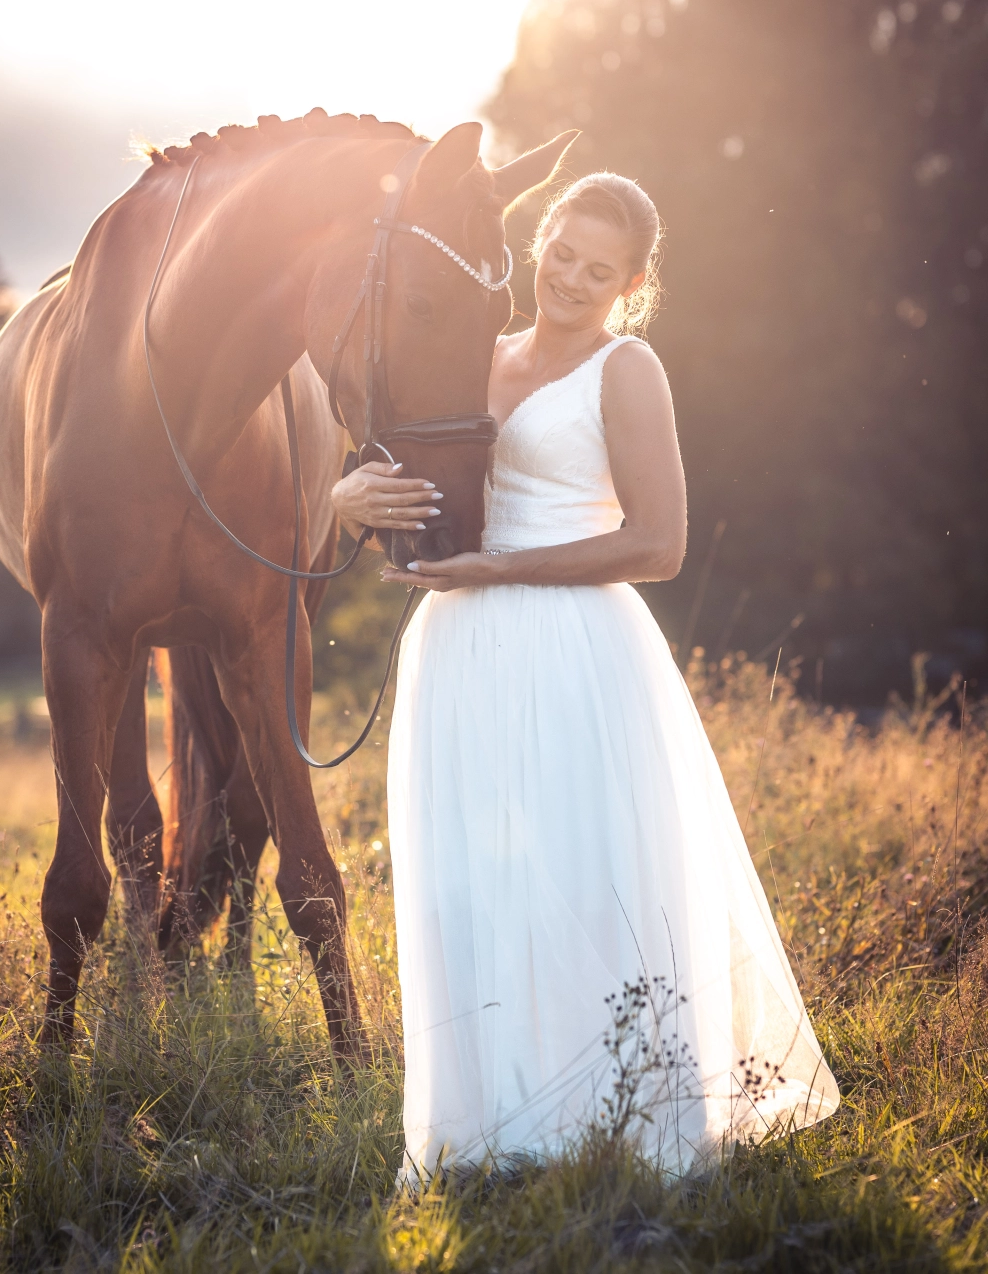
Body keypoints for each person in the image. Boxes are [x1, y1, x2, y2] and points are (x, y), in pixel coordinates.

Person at [331, 172, 840, 1184]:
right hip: (457, 653)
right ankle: (490, 1128)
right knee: (471, 886)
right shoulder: (468, 354)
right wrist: (348, 493)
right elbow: (393, 470)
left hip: (574, 651)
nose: (569, 277)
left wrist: (499, 570)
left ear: (631, 284)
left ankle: (614, 1121)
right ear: (539, 240)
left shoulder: (627, 368)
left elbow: (658, 544)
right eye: (561, 252)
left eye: (598, 270)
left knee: (580, 878)